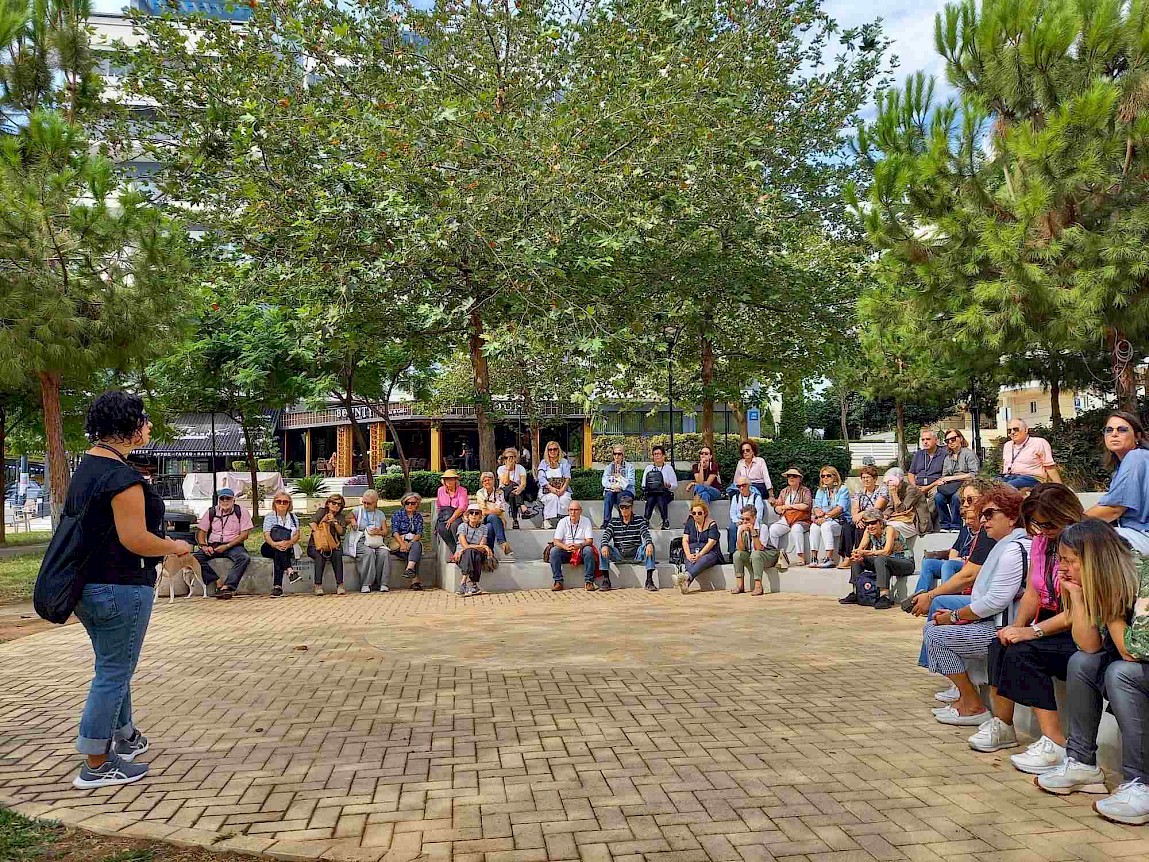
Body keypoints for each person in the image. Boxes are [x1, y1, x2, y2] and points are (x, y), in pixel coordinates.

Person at [68, 391, 191, 789]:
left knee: (112, 666)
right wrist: (174, 545)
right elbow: (135, 539)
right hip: (119, 588)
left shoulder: (89, 466)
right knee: (114, 672)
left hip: (89, 587)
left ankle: (125, 738)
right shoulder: (121, 478)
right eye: (144, 418)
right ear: (129, 427)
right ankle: (97, 762)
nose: (149, 425)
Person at [1034, 520, 1147, 827]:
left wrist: (1107, 601)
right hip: (1135, 667)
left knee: (1121, 672)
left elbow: (1132, 651)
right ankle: (1083, 763)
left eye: (1070, 561)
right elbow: (1089, 645)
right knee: (1082, 663)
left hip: (1136, 665)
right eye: (1061, 560)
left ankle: (1141, 784)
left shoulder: (1143, 578)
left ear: (1096, 559)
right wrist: (1077, 596)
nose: (1063, 568)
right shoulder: (1101, 582)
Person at [967, 485, 1084, 766]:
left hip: (1079, 626)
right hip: (1050, 619)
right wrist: (1016, 628)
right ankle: (1003, 725)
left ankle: (1055, 741)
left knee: (1025, 653)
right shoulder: (1042, 542)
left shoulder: (1084, 543)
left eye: (1048, 524)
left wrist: (1031, 632)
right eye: (1036, 525)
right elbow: (1033, 591)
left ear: (1066, 515)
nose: (1041, 531)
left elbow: (1077, 610)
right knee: (1001, 644)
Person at [923, 485, 1031, 726]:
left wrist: (954, 616)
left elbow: (995, 601)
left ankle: (972, 704)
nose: (983, 520)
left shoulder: (1014, 549)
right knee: (935, 625)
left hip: (1005, 629)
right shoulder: (1009, 545)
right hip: (1001, 622)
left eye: (990, 514)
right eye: (982, 514)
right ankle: (966, 698)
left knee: (936, 634)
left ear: (1012, 518)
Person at [910, 478, 996, 599]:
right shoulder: (965, 530)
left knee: (948, 566)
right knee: (929, 563)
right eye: (963, 500)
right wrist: (954, 558)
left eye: (970, 500)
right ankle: (918, 596)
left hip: (972, 568)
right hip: (960, 563)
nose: (965, 504)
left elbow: (974, 569)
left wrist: (960, 560)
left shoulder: (988, 531)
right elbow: (954, 550)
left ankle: (946, 599)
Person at [1085, 411, 1149, 554]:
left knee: (1078, 536)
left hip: (1143, 533)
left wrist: (1072, 521)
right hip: (1134, 532)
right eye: (1109, 430)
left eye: (1122, 430)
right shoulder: (1124, 466)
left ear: (1137, 436)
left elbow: (1113, 509)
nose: (1114, 434)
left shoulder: (1136, 457)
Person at [840, 509, 914, 609]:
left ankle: (884, 596)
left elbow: (886, 551)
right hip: (885, 562)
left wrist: (866, 553)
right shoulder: (868, 531)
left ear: (880, 522)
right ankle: (856, 592)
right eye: (867, 524)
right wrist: (856, 553)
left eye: (873, 523)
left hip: (904, 562)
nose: (870, 526)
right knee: (858, 560)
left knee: (880, 559)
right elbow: (860, 548)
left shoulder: (889, 529)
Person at [193, 488, 253, 600]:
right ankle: (216, 581)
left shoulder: (241, 511)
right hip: (213, 545)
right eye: (222, 498)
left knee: (244, 558)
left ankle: (227, 587)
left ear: (233, 500)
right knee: (195, 557)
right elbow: (201, 531)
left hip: (233, 544)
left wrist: (227, 546)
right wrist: (204, 546)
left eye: (228, 498)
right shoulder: (211, 511)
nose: (225, 501)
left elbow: (245, 534)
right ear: (219, 500)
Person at [599, 493, 656, 592]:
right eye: (622, 507)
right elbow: (606, 536)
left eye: (627, 507)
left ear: (631, 508)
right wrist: (604, 545)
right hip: (619, 555)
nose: (624, 509)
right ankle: (606, 580)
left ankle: (649, 580)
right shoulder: (614, 521)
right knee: (603, 547)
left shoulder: (639, 520)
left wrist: (649, 543)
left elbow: (645, 534)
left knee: (650, 545)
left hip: (636, 554)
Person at [837, 465, 889, 569]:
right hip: (861, 519)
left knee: (861, 529)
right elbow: (855, 508)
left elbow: (877, 507)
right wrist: (856, 519)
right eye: (863, 477)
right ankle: (848, 557)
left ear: (875, 479)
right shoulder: (860, 492)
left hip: (875, 519)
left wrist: (861, 516)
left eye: (868, 477)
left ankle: (859, 557)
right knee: (847, 527)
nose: (866, 480)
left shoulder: (882, 490)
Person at [673, 498, 723, 593]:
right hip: (691, 550)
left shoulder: (712, 524)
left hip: (709, 552)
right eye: (694, 513)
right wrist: (688, 555)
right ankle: (686, 582)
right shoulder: (690, 523)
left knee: (703, 559)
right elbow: (685, 540)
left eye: (699, 513)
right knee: (690, 559)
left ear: (705, 513)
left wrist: (700, 554)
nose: (696, 515)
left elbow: (711, 542)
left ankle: (686, 576)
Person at [935, 429, 980, 531]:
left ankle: (956, 525)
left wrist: (953, 477)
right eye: (947, 441)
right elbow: (944, 475)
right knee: (938, 497)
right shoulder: (948, 458)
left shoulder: (968, 454)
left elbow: (974, 474)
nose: (950, 442)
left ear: (960, 438)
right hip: (951, 486)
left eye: (953, 439)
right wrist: (943, 480)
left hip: (967, 484)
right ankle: (945, 524)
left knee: (956, 497)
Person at [768, 468, 812, 568]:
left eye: (794, 476)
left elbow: (806, 506)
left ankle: (800, 556)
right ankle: (774, 556)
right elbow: (778, 508)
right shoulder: (784, 491)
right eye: (789, 476)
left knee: (796, 528)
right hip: (786, 519)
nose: (791, 478)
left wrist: (789, 506)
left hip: (801, 520)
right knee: (773, 529)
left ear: (800, 479)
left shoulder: (805, 491)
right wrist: (779, 508)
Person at [999, 419, 1062, 488]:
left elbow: (1050, 467)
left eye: (1016, 429)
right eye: (1009, 431)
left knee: (1006, 487)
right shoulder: (1007, 445)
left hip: (1031, 478)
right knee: (991, 485)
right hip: (1009, 477)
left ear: (1026, 430)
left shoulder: (1039, 443)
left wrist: (1060, 488)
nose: (1012, 432)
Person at [548, 501, 596, 590]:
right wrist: (565, 547)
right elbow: (556, 541)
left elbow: (589, 541)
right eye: (571, 510)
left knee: (589, 550)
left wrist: (579, 545)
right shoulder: (563, 521)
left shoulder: (586, 521)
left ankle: (589, 582)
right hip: (566, 549)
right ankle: (558, 581)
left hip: (580, 549)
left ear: (581, 511)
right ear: (568, 511)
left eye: (576, 510)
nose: (573, 512)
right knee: (554, 551)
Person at [262, 491, 301, 599]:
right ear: (274, 503)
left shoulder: (293, 517)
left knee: (279, 554)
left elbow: (297, 535)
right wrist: (275, 544)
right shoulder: (269, 517)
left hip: (287, 546)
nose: (282, 504)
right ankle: (289, 570)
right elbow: (266, 535)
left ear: (289, 504)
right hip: (270, 546)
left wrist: (289, 543)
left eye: (285, 502)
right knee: (279, 550)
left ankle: (277, 587)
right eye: (279, 501)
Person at [810, 466, 850, 568]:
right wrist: (818, 514)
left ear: (835, 477)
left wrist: (826, 517)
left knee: (825, 526)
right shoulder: (821, 491)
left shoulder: (843, 489)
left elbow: (840, 508)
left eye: (828, 475)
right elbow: (816, 506)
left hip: (840, 521)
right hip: (825, 519)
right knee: (814, 527)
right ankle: (814, 558)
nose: (825, 478)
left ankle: (829, 558)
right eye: (823, 476)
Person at [308, 493, 348, 596]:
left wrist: (335, 522)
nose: (336, 506)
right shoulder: (321, 512)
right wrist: (323, 523)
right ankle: (318, 585)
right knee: (320, 556)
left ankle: (340, 584)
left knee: (337, 555)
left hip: (333, 545)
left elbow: (341, 532)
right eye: (334, 503)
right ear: (328, 503)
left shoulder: (341, 517)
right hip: (316, 544)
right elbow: (312, 523)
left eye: (339, 504)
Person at [352, 490, 391, 593]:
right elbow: (347, 518)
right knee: (368, 553)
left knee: (384, 553)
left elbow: (386, 531)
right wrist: (353, 521)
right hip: (361, 540)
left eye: (368, 503)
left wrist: (379, 531)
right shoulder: (357, 510)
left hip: (376, 541)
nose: (366, 505)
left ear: (375, 502)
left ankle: (383, 583)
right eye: (364, 502)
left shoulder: (380, 514)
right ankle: (366, 583)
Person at [732, 504, 773, 596]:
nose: (745, 521)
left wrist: (753, 531)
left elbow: (759, 548)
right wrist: (740, 533)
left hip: (767, 554)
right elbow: (740, 549)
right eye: (743, 519)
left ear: (754, 518)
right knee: (737, 554)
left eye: (747, 519)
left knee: (756, 554)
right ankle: (740, 585)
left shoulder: (763, 527)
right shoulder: (741, 527)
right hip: (752, 555)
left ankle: (758, 586)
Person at [453, 504, 491, 596]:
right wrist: (483, 547)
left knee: (473, 553)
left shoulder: (484, 528)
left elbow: (481, 546)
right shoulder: (462, 526)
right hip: (462, 556)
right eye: (471, 513)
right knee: (470, 552)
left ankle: (463, 583)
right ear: (467, 515)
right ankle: (473, 585)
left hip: (475, 554)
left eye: (476, 513)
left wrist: (482, 547)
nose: (474, 515)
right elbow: (465, 545)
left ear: (480, 516)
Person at [389, 492, 425, 589]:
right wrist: (402, 544)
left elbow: (419, 533)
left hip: (412, 543)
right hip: (399, 542)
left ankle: (409, 569)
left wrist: (411, 543)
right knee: (415, 553)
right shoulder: (398, 514)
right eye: (407, 503)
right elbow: (395, 531)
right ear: (403, 503)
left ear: (417, 504)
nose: (410, 505)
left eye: (413, 503)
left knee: (416, 546)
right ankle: (415, 580)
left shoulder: (418, 517)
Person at [884, 467, 929, 540]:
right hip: (901, 519)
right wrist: (884, 516)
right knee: (880, 525)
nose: (890, 485)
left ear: (901, 480)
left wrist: (894, 494)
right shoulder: (895, 489)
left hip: (916, 522)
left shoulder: (912, 490)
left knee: (891, 527)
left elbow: (901, 509)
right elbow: (890, 507)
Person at [728, 477, 766, 561]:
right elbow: (732, 513)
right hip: (740, 520)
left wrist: (749, 522)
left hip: (752, 521)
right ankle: (732, 552)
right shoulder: (735, 497)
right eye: (739, 486)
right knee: (732, 528)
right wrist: (737, 521)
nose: (741, 488)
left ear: (749, 485)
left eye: (744, 485)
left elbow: (759, 515)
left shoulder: (756, 497)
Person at [476, 471, 513, 556]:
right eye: (485, 481)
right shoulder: (480, 493)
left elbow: (500, 510)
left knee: (489, 527)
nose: (487, 482)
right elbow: (483, 511)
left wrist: (490, 510)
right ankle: (503, 542)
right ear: (482, 483)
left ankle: (490, 553)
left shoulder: (499, 492)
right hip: (484, 519)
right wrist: (494, 510)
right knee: (492, 517)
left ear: (493, 481)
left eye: (489, 480)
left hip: (498, 520)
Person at [641, 445, 678, 530]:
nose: (656, 456)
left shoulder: (668, 468)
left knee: (660, 496)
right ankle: (647, 520)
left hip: (665, 493)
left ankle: (664, 521)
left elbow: (675, 485)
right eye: (655, 454)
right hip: (651, 493)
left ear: (663, 456)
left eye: (659, 454)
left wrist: (668, 485)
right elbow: (643, 484)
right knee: (652, 497)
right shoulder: (648, 468)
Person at [537, 441, 572, 529]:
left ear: (558, 450)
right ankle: (547, 520)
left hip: (562, 488)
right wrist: (551, 489)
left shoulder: (564, 462)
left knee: (565, 498)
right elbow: (541, 478)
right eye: (550, 449)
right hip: (548, 489)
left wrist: (563, 489)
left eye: (555, 449)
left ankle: (563, 520)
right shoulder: (543, 463)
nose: (553, 451)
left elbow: (567, 477)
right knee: (552, 497)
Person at [434, 470, 469, 553]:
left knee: (455, 525)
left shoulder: (462, 490)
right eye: (447, 479)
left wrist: (452, 519)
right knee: (441, 528)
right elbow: (439, 506)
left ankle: (462, 549)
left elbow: (462, 507)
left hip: (457, 515)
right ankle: (455, 551)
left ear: (455, 480)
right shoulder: (440, 490)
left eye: (451, 479)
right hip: (444, 515)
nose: (449, 482)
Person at [601, 445, 636, 524]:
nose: (617, 456)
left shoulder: (629, 467)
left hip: (626, 490)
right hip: (612, 490)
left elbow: (632, 482)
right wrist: (612, 486)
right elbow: (604, 481)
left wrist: (620, 479)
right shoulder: (609, 467)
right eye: (615, 454)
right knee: (608, 495)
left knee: (621, 496)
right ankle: (606, 522)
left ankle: (623, 521)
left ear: (623, 455)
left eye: (619, 454)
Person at [907, 429, 947, 495]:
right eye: (923, 440)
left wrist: (928, 487)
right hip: (918, 485)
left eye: (928, 439)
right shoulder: (918, 454)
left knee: (935, 493)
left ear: (936, 440)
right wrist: (915, 486)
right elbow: (911, 473)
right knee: (910, 492)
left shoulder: (944, 454)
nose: (925, 442)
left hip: (935, 486)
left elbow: (945, 476)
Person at [497, 448, 528, 529]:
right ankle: (522, 506)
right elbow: (505, 482)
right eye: (506, 458)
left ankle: (515, 520)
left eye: (511, 457)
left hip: (517, 492)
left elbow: (523, 483)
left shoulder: (520, 468)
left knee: (512, 495)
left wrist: (520, 488)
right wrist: (508, 469)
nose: (509, 459)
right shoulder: (501, 469)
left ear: (515, 458)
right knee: (512, 485)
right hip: (504, 491)